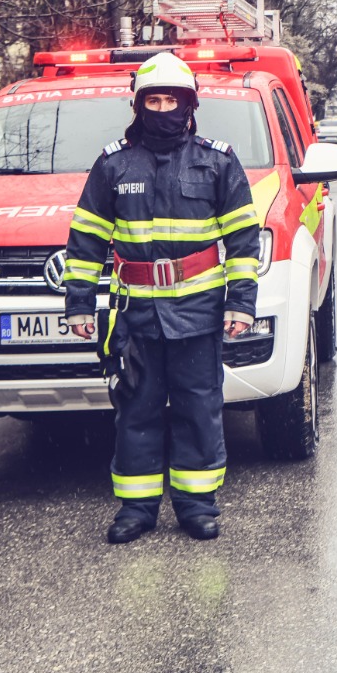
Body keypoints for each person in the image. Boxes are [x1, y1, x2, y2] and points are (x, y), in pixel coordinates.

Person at [62, 52, 261, 544]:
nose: (163, 107)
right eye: (154, 98)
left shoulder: (218, 160)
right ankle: (136, 509)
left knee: (199, 408)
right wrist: (79, 304)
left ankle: (198, 505)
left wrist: (241, 302)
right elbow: (85, 240)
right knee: (138, 411)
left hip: (199, 313)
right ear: (139, 105)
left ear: (189, 103)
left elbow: (242, 241)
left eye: (172, 98)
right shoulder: (113, 164)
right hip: (136, 316)